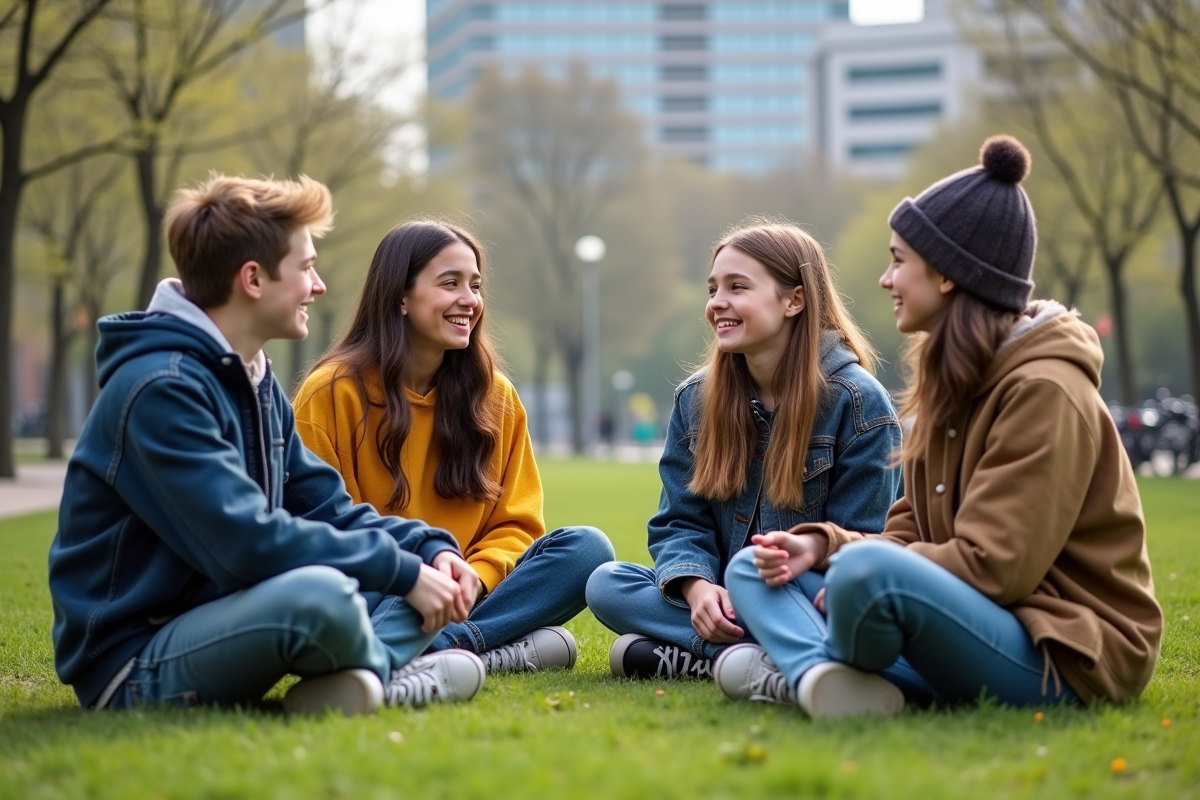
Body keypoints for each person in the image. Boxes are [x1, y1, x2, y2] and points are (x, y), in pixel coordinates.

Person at [716, 136, 1163, 718]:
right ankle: (825, 678)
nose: (886, 279)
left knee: (863, 574)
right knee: (755, 566)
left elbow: (996, 568)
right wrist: (819, 545)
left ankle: (810, 667)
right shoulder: (945, 386)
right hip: (969, 623)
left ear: (948, 275)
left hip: (1065, 652)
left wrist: (860, 570)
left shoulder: (1044, 391)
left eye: (899, 260)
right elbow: (906, 538)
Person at [49, 175, 489, 717]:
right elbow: (243, 545)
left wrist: (430, 551)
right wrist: (399, 571)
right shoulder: (160, 388)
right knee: (331, 594)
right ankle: (387, 674)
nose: (319, 285)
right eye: (305, 267)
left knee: (409, 579)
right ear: (253, 279)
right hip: (134, 662)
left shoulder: (251, 378)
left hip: (228, 614)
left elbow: (329, 509)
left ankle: (366, 679)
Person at [293, 220, 614, 674]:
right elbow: (324, 526)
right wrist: (415, 575)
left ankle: (441, 646)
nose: (470, 300)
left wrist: (472, 580)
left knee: (587, 550)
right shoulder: (331, 392)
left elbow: (516, 527)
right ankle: (480, 649)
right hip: (378, 584)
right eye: (450, 284)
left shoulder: (495, 396)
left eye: (476, 286)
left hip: (470, 590)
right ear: (400, 296)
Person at [586, 220, 903, 681]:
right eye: (713, 289)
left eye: (738, 287)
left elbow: (863, 542)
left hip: (805, 597)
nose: (717, 304)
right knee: (607, 584)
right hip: (718, 597)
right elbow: (679, 520)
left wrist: (759, 588)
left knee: (838, 605)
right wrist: (697, 591)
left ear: (794, 299)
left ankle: (707, 654)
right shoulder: (695, 399)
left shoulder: (857, 402)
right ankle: (752, 656)